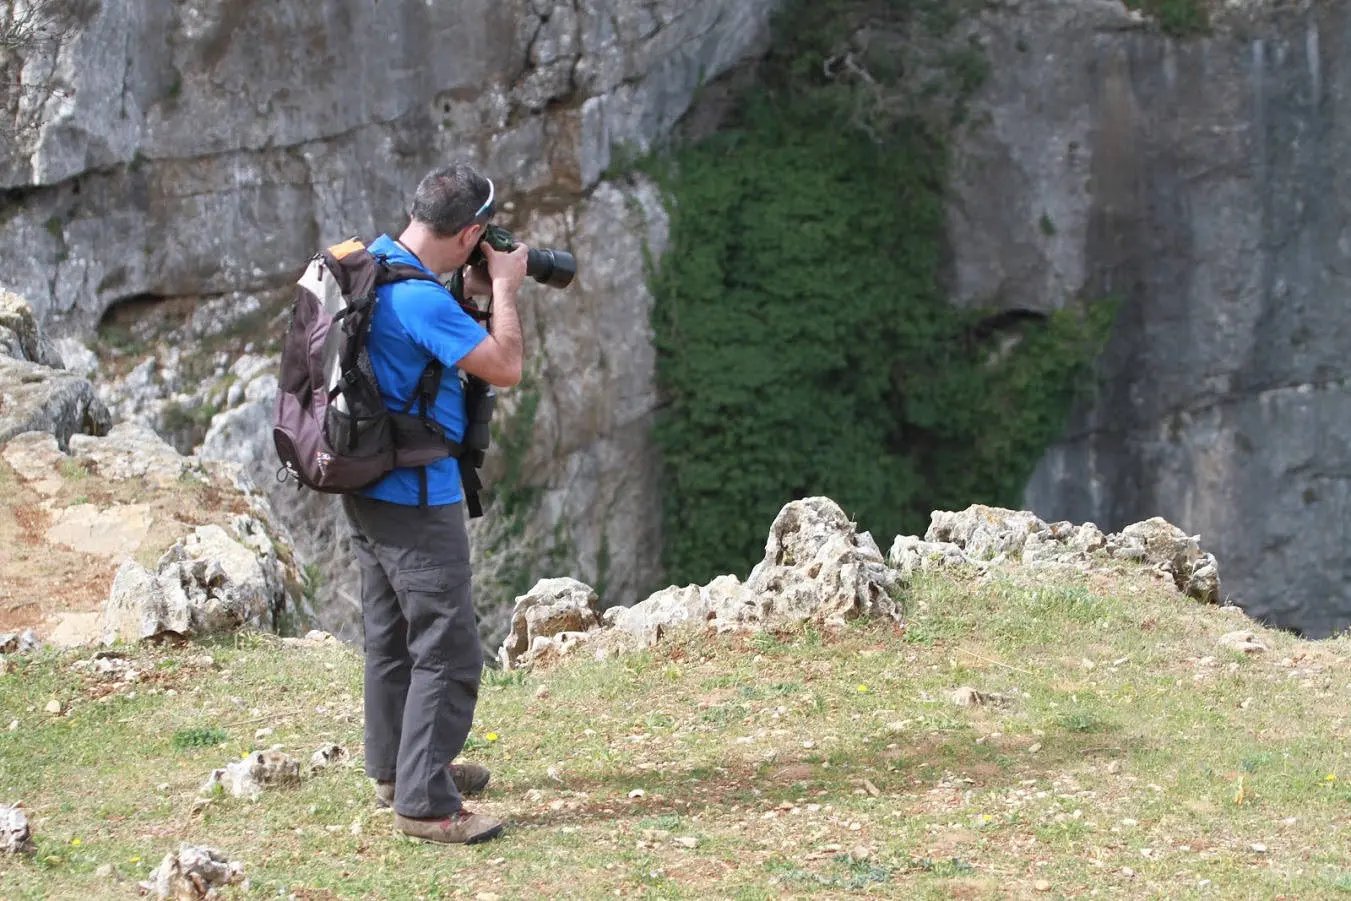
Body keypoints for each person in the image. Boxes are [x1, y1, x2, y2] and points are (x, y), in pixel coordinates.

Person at [341, 162, 527, 845]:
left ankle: (398, 765)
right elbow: (504, 366)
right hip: (416, 497)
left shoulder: (377, 262)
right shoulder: (421, 301)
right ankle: (423, 801)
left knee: (391, 636)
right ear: (471, 231)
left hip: (365, 484)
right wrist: (504, 289)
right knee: (448, 648)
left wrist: (470, 294)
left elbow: (420, 352)